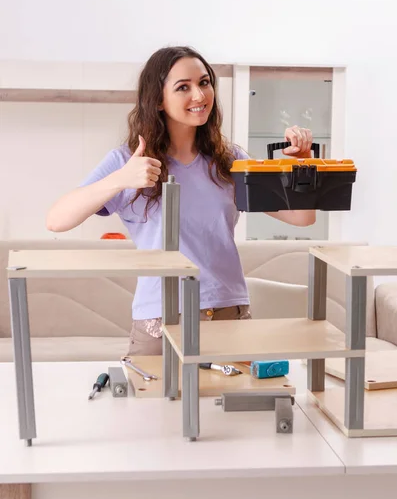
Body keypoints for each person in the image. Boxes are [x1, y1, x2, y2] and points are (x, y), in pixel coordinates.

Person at [46, 46, 315, 355]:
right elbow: (57, 219)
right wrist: (120, 178)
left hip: (228, 312)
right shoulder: (128, 160)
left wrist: (302, 164)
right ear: (158, 100)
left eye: (204, 82)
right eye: (183, 87)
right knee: (157, 404)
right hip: (161, 319)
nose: (199, 95)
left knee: (229, 404)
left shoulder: (230, 160)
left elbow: (301, 217)